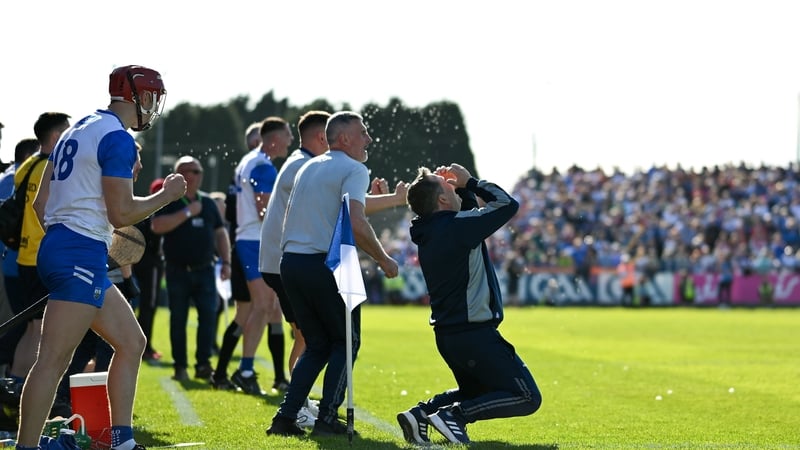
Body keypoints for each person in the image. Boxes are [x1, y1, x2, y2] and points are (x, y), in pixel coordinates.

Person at [15, 64, 185, 450]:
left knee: (132, 341)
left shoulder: (78, 128)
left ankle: (120, 440)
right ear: (138, 96)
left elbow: (42, 206)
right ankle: (27, 447)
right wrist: (167, 194)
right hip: (78, 253)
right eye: (152, 97)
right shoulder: (117, 138)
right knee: (54, 360)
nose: (153, 106)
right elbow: (122, 213)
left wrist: (77, 239)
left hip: (68, 248)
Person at [266, 111, 400, 437]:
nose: (368, 139)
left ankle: (285, 417)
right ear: (343, 139)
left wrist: (395, 199)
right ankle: (327, 416)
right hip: (323, 264)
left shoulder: (311, 165)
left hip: (292, 263)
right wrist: (383, 259)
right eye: (363, 133)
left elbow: (342, 208)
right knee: (346, 342)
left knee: (317, 345)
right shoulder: (355, 168)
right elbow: (355, 220)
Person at [397, 163, 542, 445]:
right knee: (527, 397)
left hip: (450, 334)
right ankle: (455, 416)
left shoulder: (432, 229)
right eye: (446, 186)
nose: (452, 185)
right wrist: (471, 182)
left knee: (477, 390)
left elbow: (465, 215)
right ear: (441, 199)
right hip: (473, 333)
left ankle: (422, 414)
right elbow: (508, 204)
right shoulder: (456, 227)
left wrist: (461, 189)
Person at [151, 156, 231, 382]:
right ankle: (180, 367)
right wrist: (187, 213)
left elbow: (219, 233)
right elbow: (157, 226)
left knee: (208, 319)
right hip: (177, 270)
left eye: (195, 171)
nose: (191, 176)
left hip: (205, 269)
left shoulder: (208, 203)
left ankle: (204, 365)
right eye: (185, 171)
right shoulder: (168, 200)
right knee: (178, 320)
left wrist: (226, 262)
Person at [228, 117, 293, 395]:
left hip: (249, 239)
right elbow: (264, 210)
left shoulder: (250, 160)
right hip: (255, 241)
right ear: (274, 138)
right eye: (288, 135)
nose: (291, 141)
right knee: (264, 305)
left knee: (264, 306)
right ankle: (244, 369)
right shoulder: (263, 165)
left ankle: (245, 368)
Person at [8, 113, 71, 389]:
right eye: (67, 134)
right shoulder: (53, 168)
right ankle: (22, 390)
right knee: (38, 330)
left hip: (23, 256)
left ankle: (15, 387)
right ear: (56, 137)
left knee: (31, 328)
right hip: (39, 256)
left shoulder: (27, 165)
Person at [211, 124, 261, 391]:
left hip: (247, 245)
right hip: (249, 246)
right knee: (258, 309)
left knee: (252, 311)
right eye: (255, 140)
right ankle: (244, 370)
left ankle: (225, 373)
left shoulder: (245, 169)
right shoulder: (253, 169)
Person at [0, 138, 39, 371]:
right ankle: (10, 386)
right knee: (20, 327)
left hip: (10, 262)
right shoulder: (17, 179)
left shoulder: (6, 178)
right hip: (16, 262)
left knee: (21, 327)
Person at [135, 177, 167, 362]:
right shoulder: (154, 212)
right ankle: (145, 348)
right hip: (149, 264)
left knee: (146, 306)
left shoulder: (144, 209)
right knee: (148, 306)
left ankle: (145, 345)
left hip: (144, 263)